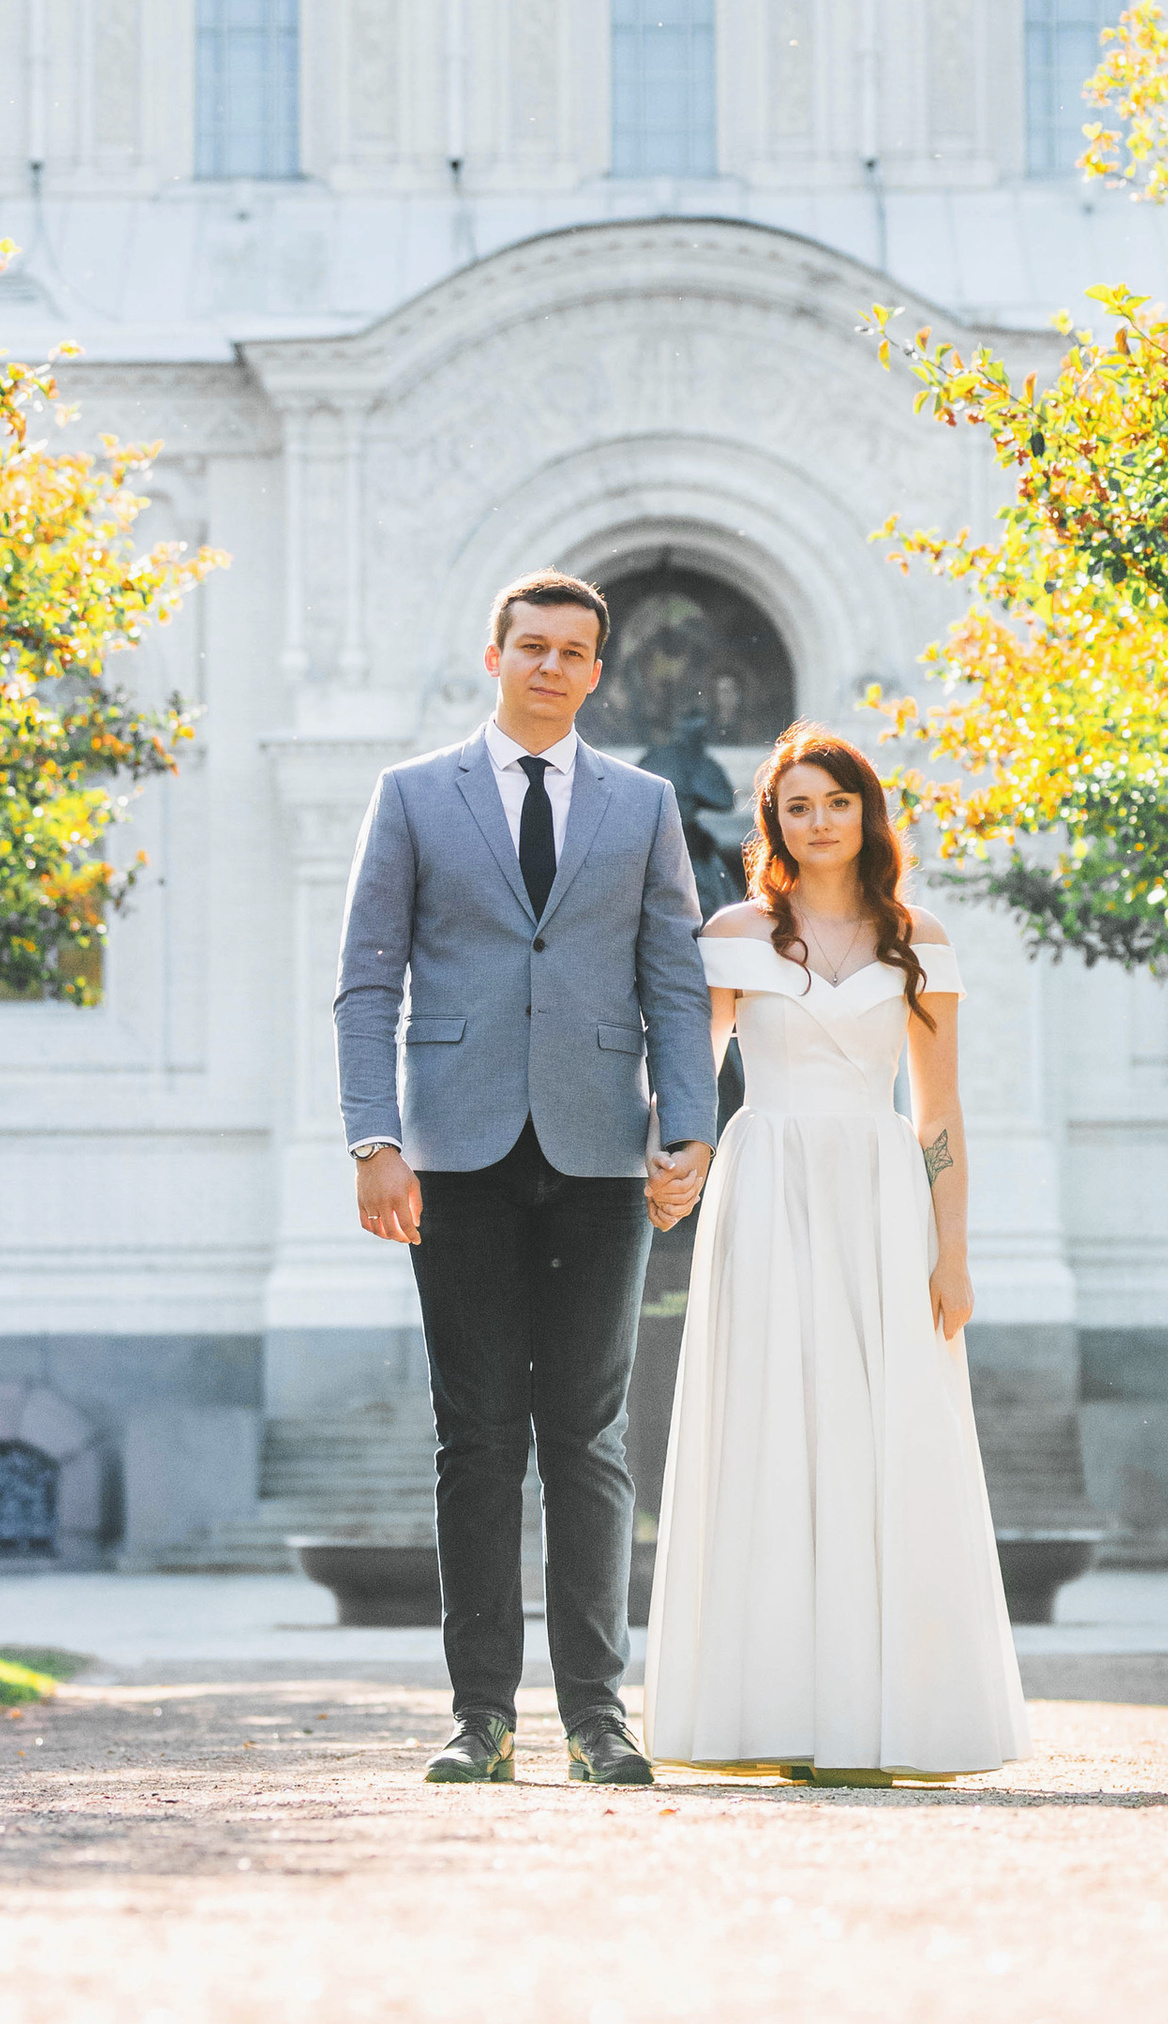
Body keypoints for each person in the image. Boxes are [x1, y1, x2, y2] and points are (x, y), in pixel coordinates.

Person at [334, 570, 716, 1788]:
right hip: (456, 1154)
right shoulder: (409, 797)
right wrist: (372, 1139)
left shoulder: (645, 804)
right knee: (477, 1436)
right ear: (492, 654)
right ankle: (481, 1718)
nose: (552, 667)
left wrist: (691, 1125)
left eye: (573, 653)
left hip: (604, 1152)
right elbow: (365, 982)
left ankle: (597, 1714)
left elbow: (674, 980)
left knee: (591, 1435)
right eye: (532, 647)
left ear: (597, 672)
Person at [642, 727, 1029, 1780]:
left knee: (883, 1430)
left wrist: (953, 1255)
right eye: (796, 806)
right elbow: (688, 1077)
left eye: (836, 802)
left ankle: (881, 1718)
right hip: (765, 1188)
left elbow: (940, 1112)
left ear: (867, 813)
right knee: (772, 1426)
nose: (817, 822)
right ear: (773, 823)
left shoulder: (920, 938)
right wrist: (672, 1162)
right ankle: (777, 1715)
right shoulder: (733, 933)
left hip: (879, 1194)